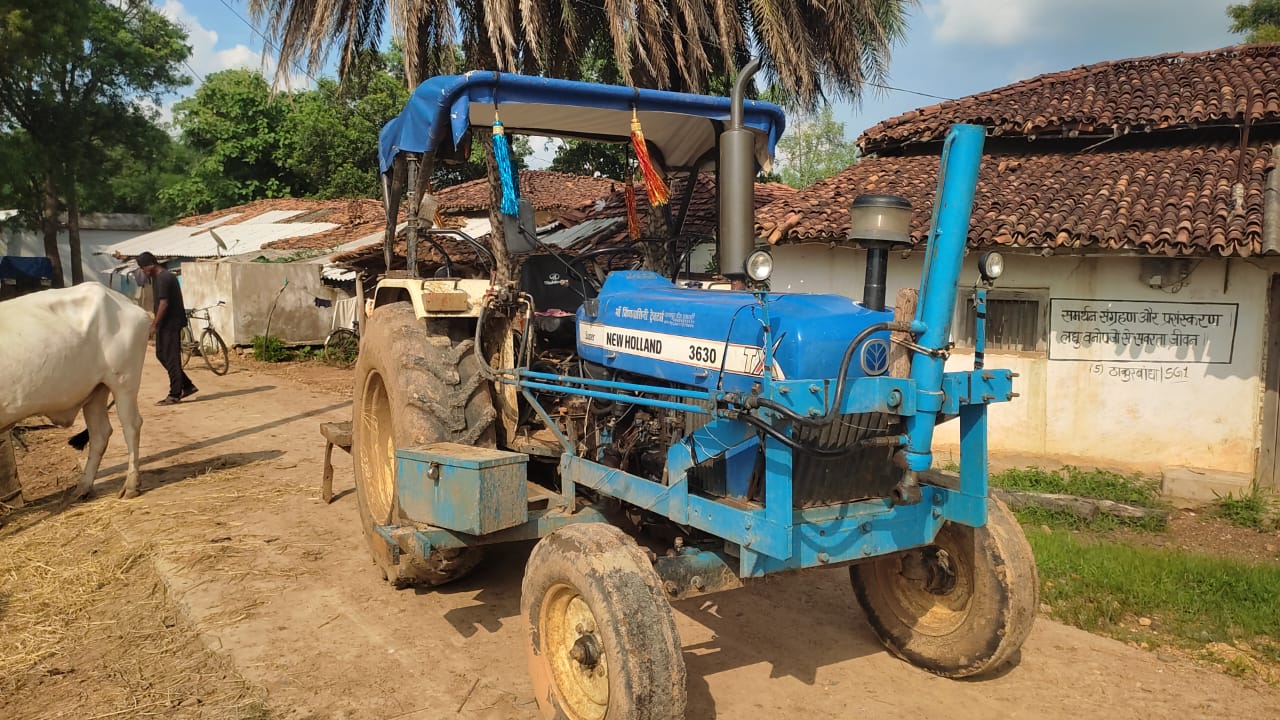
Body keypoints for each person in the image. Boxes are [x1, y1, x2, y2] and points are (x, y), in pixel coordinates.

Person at [136, 252, 198, 405]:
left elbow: (164, 303)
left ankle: (174, 394)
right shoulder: (157, 278)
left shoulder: (164, 278)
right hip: (166, 324)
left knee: (171, 358)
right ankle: (187, 385)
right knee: (162, 355)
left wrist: (154, 325)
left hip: (171, 323)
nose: (143, 272)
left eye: (143, 268)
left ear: (150, 265)